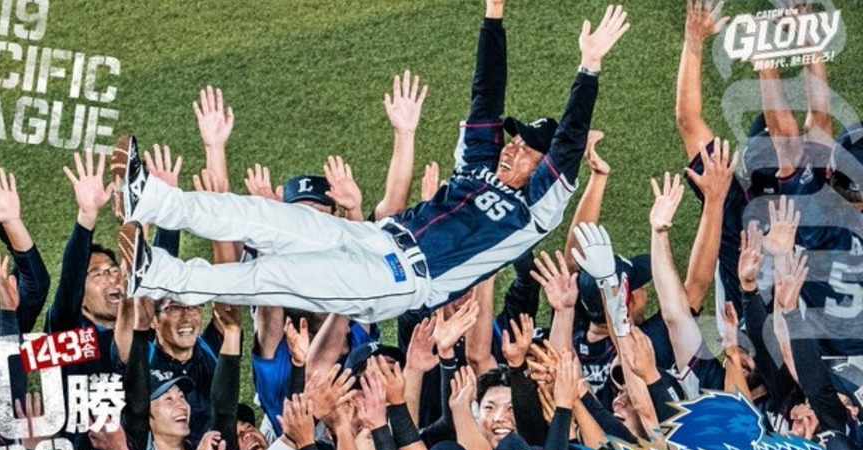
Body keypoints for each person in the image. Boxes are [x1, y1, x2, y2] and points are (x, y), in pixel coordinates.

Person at [118, 3, 631, 324]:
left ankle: (158, 275)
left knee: (268, 276)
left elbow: (568, 145)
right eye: (514, 141)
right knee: (260, 216)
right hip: (373, 236)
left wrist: (589, 66)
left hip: (397, 282)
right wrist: (493, 16)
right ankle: (150, 199)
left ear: (543, 167)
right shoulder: (479, 164)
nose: (512, 147)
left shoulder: (535, 211)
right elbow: (486, 99)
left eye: (526, 149)